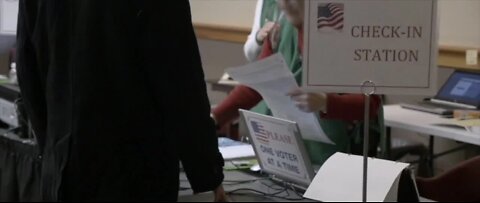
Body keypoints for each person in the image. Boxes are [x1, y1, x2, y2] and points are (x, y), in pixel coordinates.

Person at [16, 1, 226, 201]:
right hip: (133, 174)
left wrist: (52, 145)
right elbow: (181, 85)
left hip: (61, 171)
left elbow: (27, 69)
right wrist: (209, 174)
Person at [213, 0, 383, 165]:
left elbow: (371, 104)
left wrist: (326, 102)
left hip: (338, 158)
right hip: (292, 154)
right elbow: (258, 84)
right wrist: (215, 117)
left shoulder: (344, 28)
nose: (285, 3)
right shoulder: (279, 29)